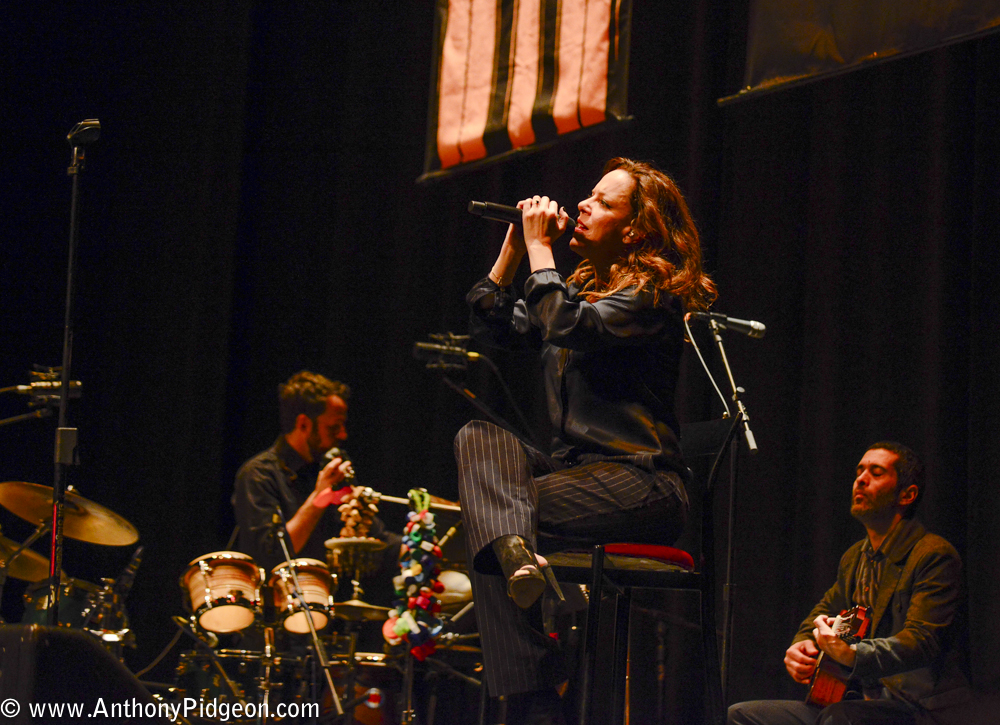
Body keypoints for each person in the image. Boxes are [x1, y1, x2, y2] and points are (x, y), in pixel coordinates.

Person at [455, 158, 717, 724]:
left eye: (601, 201)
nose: (581, 206)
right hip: (579, 476)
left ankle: (533, 699)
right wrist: (512, 254)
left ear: (636, 229)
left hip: (642, 485)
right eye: (588, 196)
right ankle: (538, 680)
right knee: (478, 440)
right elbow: (495, 326)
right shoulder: (577, 290)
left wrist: (543, 255)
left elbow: (569, 324)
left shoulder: (652, 297)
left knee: (493, 520)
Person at [728, 442, 971, 725]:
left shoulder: (933, 555)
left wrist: (853, 653)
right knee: (742, 715)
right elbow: (823, 609)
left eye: (876, 472)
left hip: (919, 709)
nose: (861, 479)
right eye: (860, 471)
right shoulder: (855, 558)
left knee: (839, 718)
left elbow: (921, 641)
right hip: (856, 705)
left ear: (907, 494)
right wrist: (801, 645)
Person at [232, 371, 398, 599]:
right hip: (275, 617)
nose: (343, 434)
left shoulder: (325, 469)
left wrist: (426, 546)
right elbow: (270, 556)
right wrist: (318, 500)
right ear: (303, 424)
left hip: (328, 609)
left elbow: (373, 536)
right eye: (334, 427)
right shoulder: (259, 475)